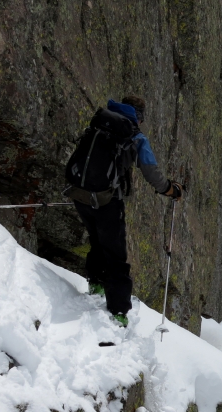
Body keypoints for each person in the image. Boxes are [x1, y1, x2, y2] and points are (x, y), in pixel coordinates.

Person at [72, 96, 183, 327]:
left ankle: (95, 282)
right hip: (108, 201)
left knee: (96, 239)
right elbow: (150, 171)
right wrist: (170, 189)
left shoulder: (99, 123)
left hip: (80, 194)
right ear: (139, 116)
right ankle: (119, 311)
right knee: (116, 256)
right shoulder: (135, 136)